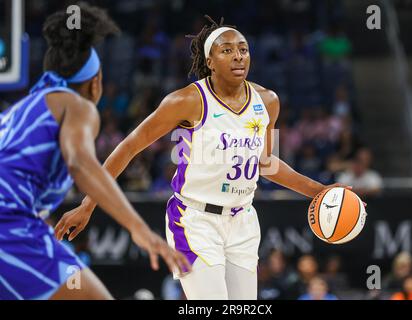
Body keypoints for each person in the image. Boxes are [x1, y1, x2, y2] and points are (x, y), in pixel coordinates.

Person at [55, 16, 354, 300]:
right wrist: (87, 204)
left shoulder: (267, 102)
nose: (238, 56)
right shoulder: (186, 101)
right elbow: (129, 146)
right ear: (210, 61)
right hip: (194, 221)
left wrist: (321, 191)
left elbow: (266, 163)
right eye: (227, 50)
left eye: (243, 49)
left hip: (242, 221)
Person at [0, 3, 190, 300]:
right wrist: (138, 228)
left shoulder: (19, 111)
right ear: (95, 82)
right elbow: (80, 162)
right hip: (9, 228)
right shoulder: (77, 106)